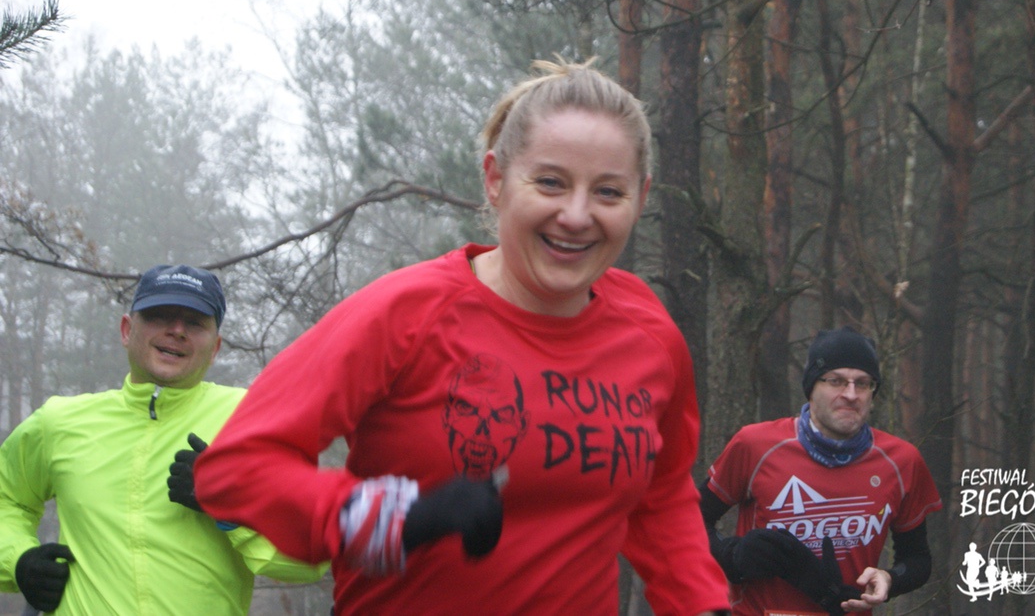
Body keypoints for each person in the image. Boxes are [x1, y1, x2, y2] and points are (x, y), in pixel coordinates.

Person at [194, 58, 731, 615]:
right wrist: (393, 516)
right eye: (550, 182)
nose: (576, 215)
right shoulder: (406, 313)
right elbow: (236, 467)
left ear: (640, 198)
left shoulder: (648, 333)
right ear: (496, 179)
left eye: (608, 192)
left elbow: (662, 497)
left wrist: (702, 604)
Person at [0, 264, 325, 614]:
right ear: (127, 330)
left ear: (215, 347)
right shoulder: (60, 421)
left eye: (195, 322)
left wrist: (231, 501)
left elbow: (308, 558)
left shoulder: (253, 420)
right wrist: (19, 560)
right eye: (159, 316)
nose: (177, 331)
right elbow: (8, 501)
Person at [700, 326, 942, 615]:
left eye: (862, 383)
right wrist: (732, 557)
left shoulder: (901, 461)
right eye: (836, 381)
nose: (850, 394)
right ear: (812, 388)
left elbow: (917, 559)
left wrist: (890, 579)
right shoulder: (755, 446)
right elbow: (691, 521)